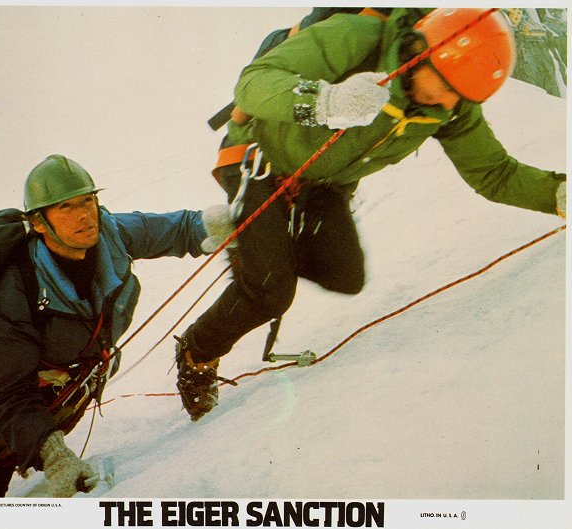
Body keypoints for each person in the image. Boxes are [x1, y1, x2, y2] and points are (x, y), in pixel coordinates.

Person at [174, 8, 567, 421]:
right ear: (421, 54)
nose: (451, 102)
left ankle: (256, 246)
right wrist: (324, 102)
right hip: (259, 158)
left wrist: (558, 194)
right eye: (448, 88)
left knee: (344, 276)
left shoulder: (450, 106)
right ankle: (198, 352)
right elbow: (253, 85)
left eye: (462, 98)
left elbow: (493, 173)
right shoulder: (359, 37)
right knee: (271, 291)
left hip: (324, 183)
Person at [0, 154, 233, 497]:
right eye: (65, 207)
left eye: (88, 200)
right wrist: (54, 457)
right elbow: (7, 392)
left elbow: (179, 228)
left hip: (75, 376)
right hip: (23, 389)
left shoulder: (110, 234)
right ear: (38, 223)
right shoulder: (13, 286)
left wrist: (217, 225)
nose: (84, 214)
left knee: (45, 428)